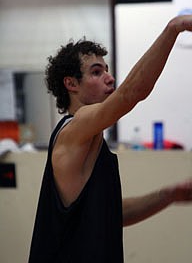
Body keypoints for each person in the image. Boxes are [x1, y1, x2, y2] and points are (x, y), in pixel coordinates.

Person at [29, 15, 192, 263]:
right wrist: (174, 28)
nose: (110, 78)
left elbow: (113, 214)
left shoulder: (92, 140)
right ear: (71, 83)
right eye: (96, 72)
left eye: (106, 70)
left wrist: (170, 195)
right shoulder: (73, 129)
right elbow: (131, 93)